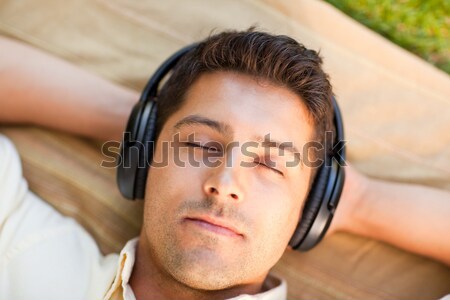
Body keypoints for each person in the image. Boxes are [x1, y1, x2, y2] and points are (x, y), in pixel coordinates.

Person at [0, 30, 449, 300]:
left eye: (271, 165)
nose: (226, 183)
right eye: (199, 145)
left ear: (308, 212)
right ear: (146, 159)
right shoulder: (24, 248)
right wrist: (140, 124)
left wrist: (361, 201)